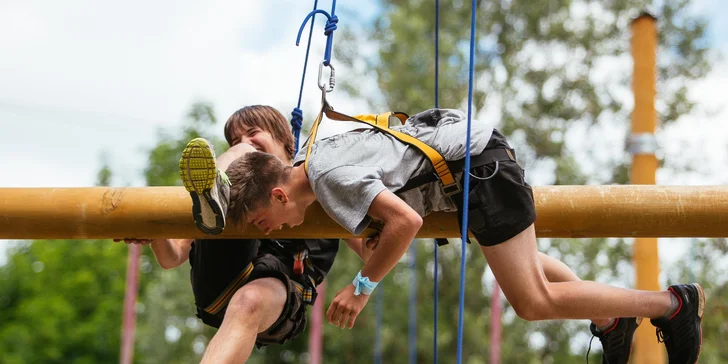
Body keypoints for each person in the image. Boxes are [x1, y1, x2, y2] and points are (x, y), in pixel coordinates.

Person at [208, 107, 704, 364]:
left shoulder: (326, 179)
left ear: (277, 195)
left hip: (476, 172)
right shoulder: (317, 165)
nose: (265, 232)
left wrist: (361, 289)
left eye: (259, 222)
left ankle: (671, 305)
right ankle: (612, 321)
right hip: (466, 171)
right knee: (522, 271)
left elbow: (406, 223)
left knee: (530, 300)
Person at [116, 105, 373, 364]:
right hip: (221, 283)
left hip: (282, 293)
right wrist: (156, 235)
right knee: (242, 165)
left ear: (284, 139)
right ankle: (212, 192)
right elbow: (172, 258)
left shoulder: (317, 187)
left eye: (253, 133)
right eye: (234, 141)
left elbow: (369, 250)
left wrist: (361, 289)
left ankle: (215, 187)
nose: (244, 143)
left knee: (250, 300)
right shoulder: (232, 196)